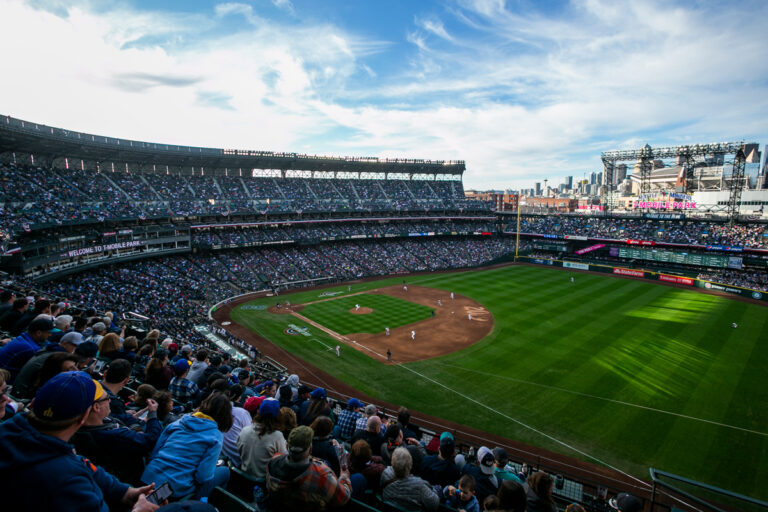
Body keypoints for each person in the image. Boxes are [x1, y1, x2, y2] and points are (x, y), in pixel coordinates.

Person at [0, 371, 156, 511]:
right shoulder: (69, 482)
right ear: (83, 417)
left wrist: (123, 491)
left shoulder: (9, 428)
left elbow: (79, 461)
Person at [141, 392, 232, 500]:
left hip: (148, 477)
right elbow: (202, 477)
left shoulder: (177, 423)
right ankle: (202, 504)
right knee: (225, 472)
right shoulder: (216, 437)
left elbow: (154, 453)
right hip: (173, 489)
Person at [72, 380, 163, 484]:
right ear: (96, 407)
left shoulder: (101, 419)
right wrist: (152, 414)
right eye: (106, 399)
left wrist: (136, 428)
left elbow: (125, 417)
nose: (110, 401)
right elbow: (150, 439)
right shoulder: (112, 436)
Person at [265, 425, 352, 510]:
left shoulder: (274, 460)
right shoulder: (322, 475)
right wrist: (344, 477)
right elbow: (343, 498)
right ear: (310, 449)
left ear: (287, 446)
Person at [12, 331, 85, 399]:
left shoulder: (50, 348)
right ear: (64, 343)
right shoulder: (58, 357)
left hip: (20, 388)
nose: (75, 349)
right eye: (75, 346)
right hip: (23, 394)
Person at [238, 398, 286, 479]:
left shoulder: (245, 430)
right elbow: (283, 461)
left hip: (243, 475)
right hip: (263, 482)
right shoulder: (277, 436)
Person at [380, 447, 439, 511]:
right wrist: (435, 490)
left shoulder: (385, 473)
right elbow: (434, 505)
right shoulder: (419, 485)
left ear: (392, 462)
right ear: (410, 465)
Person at [0, 316, 54, 382]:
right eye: (49, 332)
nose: (50, 335)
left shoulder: (22, 338)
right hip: (7, 381)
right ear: (38, 333)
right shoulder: (31, 349)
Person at [221, 385, 252, 467]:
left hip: (223, 457)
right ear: (239, 397)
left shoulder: (220, 408)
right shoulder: (241, 412)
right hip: (236, 461)